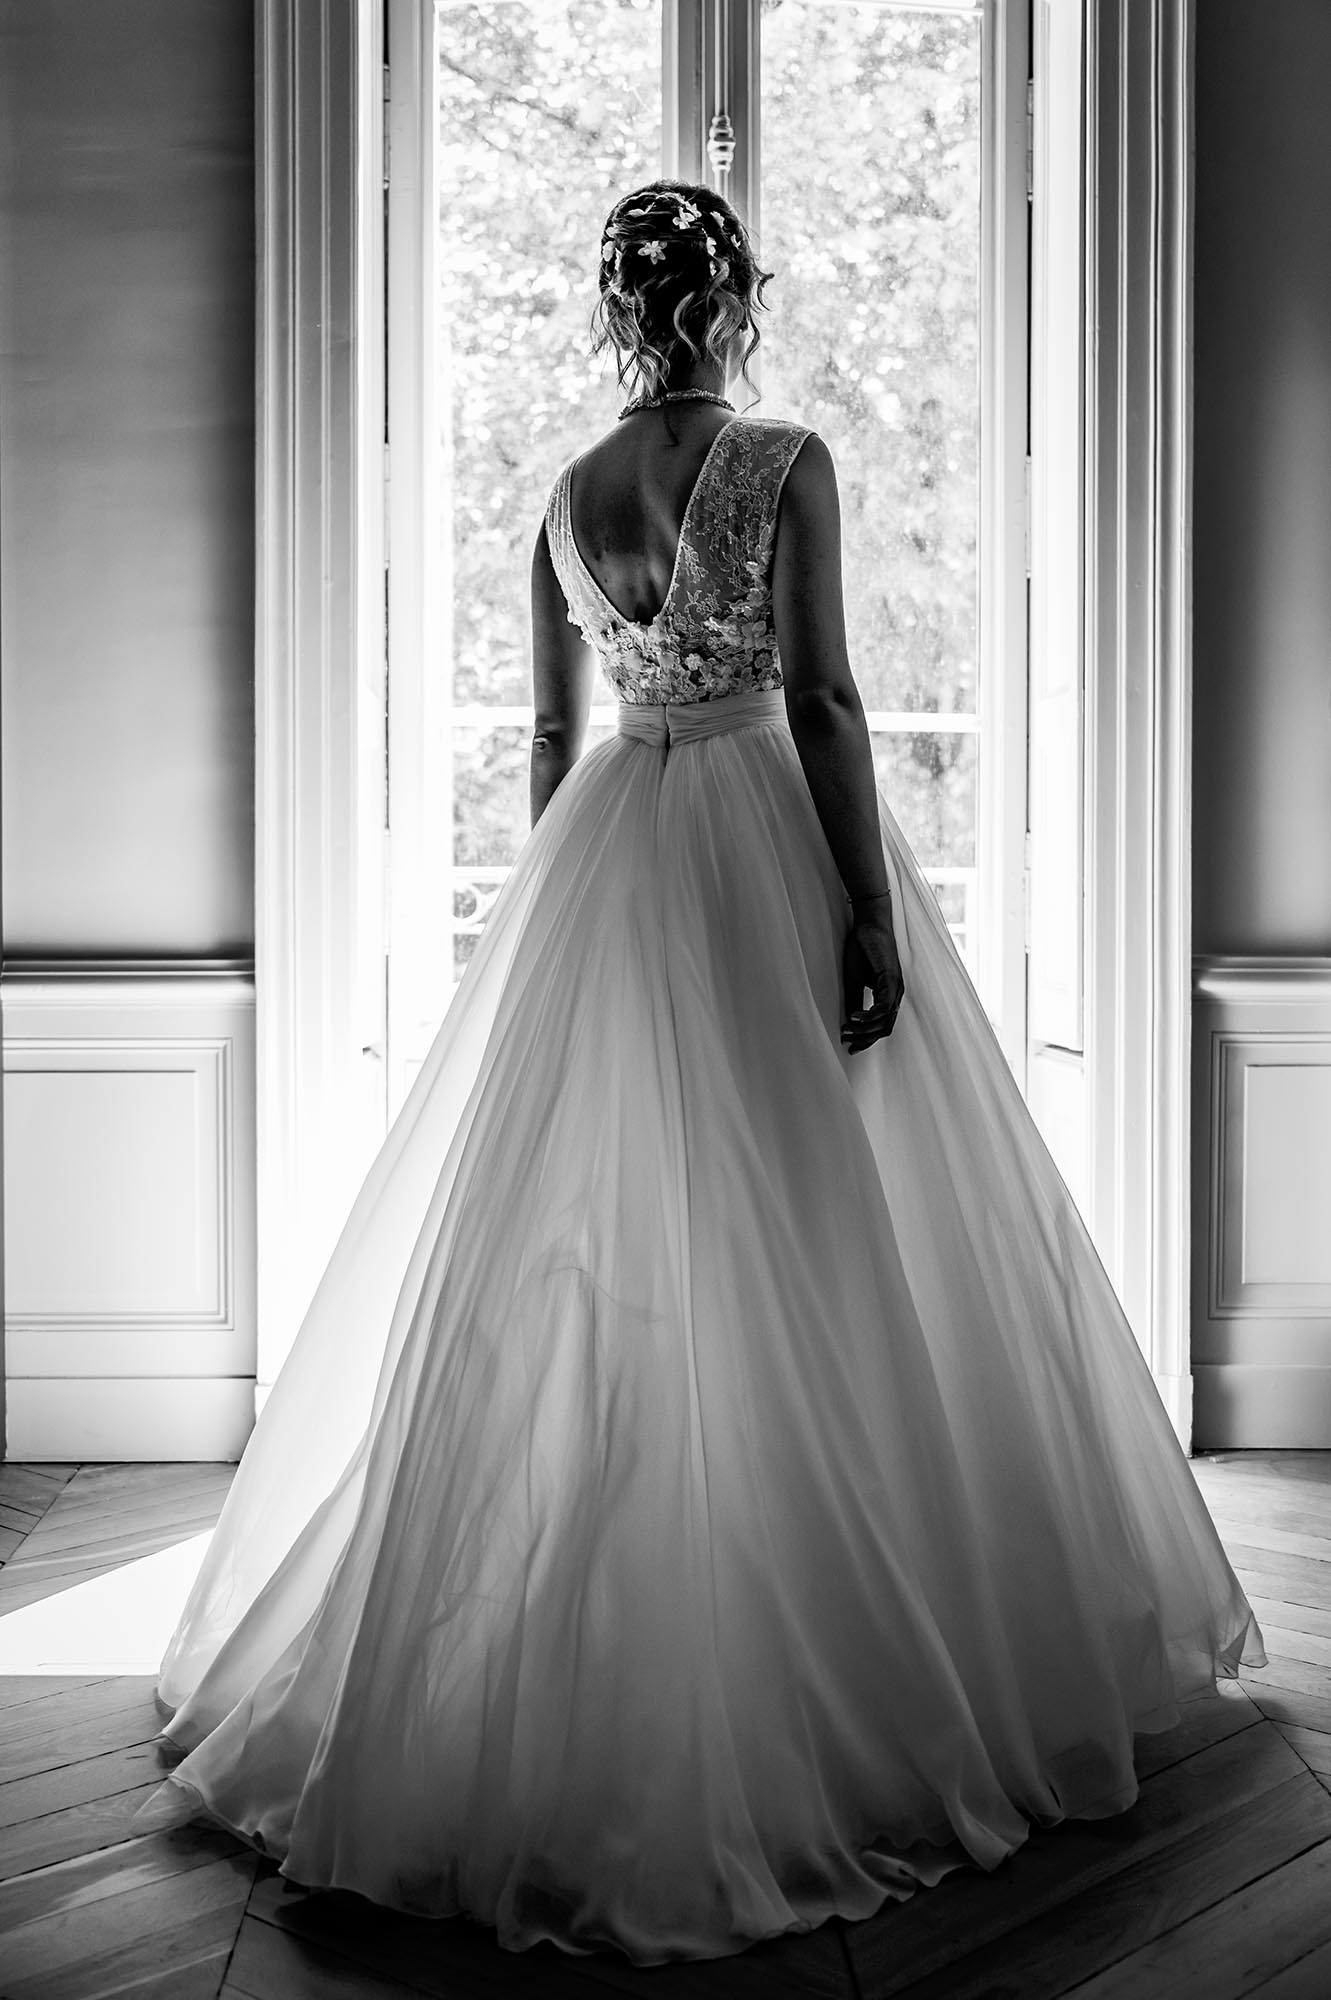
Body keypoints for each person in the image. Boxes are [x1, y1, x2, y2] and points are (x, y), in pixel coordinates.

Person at [137, 179, 1265, 1967]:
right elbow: (823, 700)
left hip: (613, 849)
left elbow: (549, 732)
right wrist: (868, 907)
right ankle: (840, 1627)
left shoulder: (568, 497)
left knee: (608, 1240)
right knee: (826, 1222)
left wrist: (544, 921)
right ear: (735, 303)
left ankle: (590, 1627)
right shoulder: (787, 459)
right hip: (762, 836)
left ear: (618, 309)